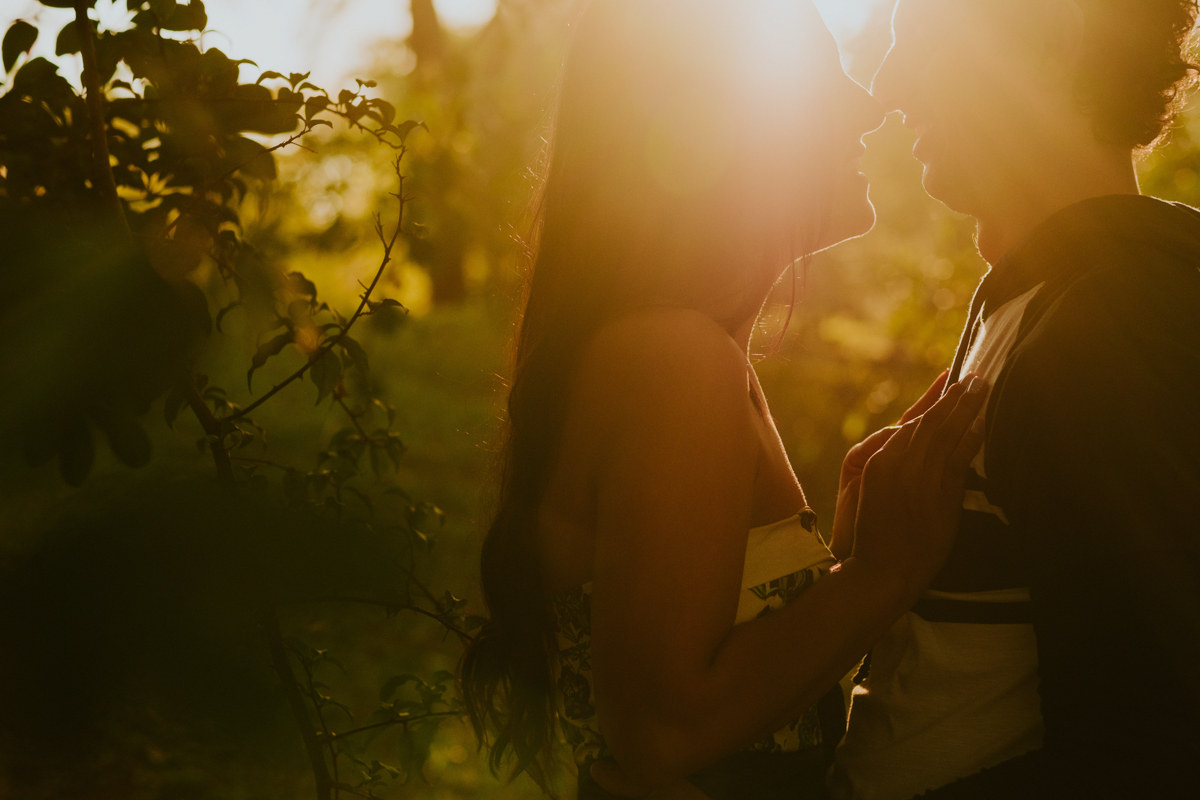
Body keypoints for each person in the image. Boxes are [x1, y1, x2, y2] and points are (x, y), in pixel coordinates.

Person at [458, 1, 990, 798]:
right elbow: (666, 732)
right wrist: (880, 574)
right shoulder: (675, 360)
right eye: (820, 79)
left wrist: (839, 564)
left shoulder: (682, 352)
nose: (869, 103)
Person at [830, 1, 1200, 798]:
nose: (887, 83)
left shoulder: (1117, 323)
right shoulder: (1032, 292)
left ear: (1055, 46)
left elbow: (1151, 744)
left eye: (922, 40)